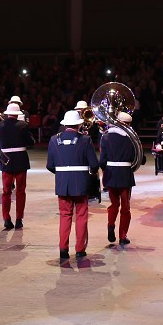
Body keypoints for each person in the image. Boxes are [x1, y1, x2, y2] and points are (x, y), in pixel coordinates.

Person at [46, 110, 99, 263]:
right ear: (78, 125)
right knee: (81, 216)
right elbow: (94, 165)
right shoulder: (85, 140)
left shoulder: (53, 140)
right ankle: (80, 250)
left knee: (65, 216)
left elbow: (50, 165)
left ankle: (63, 249)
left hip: (63, 184)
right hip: (81, 183)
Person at [101, 112, 143, 247]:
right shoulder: (131, 138)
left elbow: (102, 160)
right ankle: (123, 236)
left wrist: (106, 171)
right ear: (129, 124)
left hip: (111, 174)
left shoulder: (105, 137)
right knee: (125, 207)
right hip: (125, 174)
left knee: (114, 204)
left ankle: (110, 224)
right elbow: (139, 158)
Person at [0, 102, 34, 230]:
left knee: (6, 191)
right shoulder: (23, 125)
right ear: (18, 115)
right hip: (20, 159)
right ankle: (19, 219)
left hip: (6, 160)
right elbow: (31, 142)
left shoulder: (0, 125)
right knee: (20, 191)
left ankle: (6, 218)